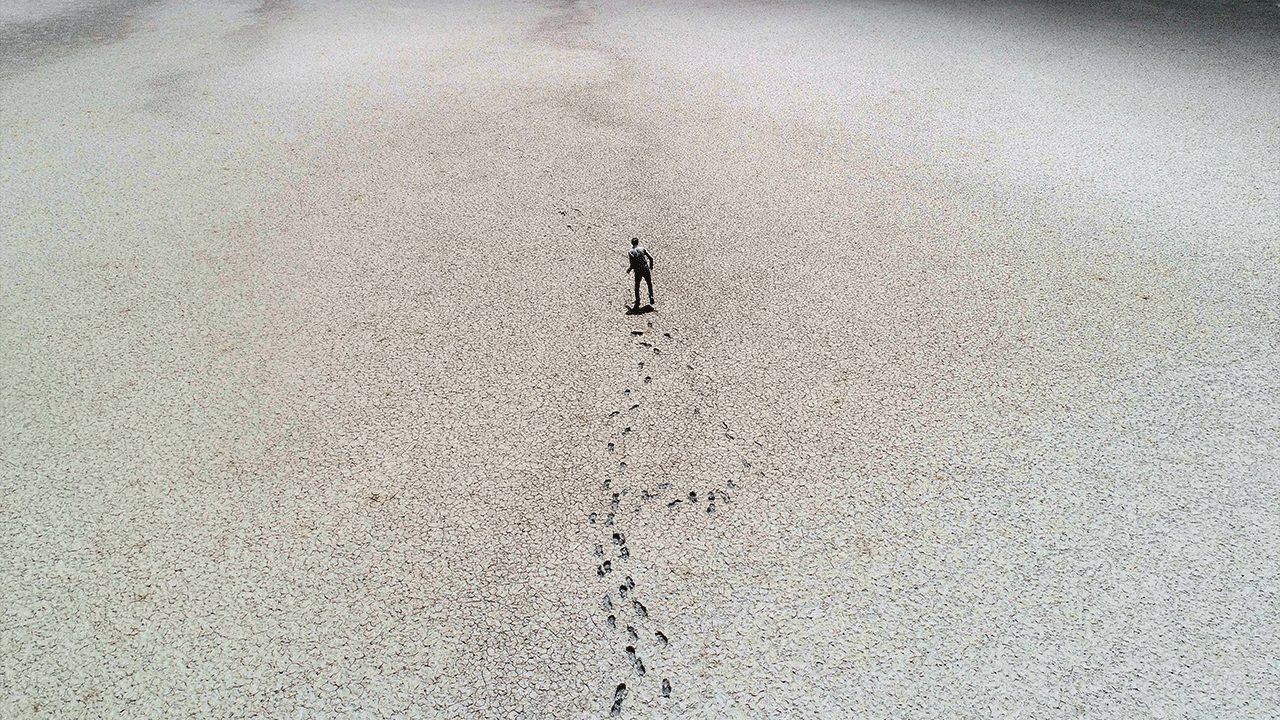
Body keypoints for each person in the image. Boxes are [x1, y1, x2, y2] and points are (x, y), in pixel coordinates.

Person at [626, 238, 655, 309]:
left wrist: (629, 269)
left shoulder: (630, 252)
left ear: (631, 243)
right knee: (649, 283)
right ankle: (651, 295)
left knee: (637, 286)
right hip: (645, 268)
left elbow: (632, 264)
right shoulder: (642, 249)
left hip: (638, 270)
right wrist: (650, 266)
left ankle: (638, 300)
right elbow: (651, 258)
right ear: (638, 242)